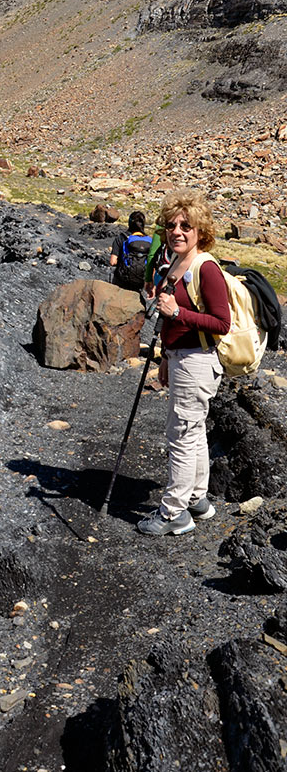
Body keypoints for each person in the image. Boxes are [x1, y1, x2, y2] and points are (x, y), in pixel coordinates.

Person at [137, 192, 230, 536]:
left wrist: (178, 312)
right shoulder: (174, 262)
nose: (177, 230)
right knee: (194, 431)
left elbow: (222, 323)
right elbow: (169, 318)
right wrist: (165, 355)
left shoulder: (206, 268)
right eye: (171, 224)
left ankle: (175, 513)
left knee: (180, 434)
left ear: (200, 231)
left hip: (198, 362)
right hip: (180, 357)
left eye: (186, 226)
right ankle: (197, 499)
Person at [109, 211, 151, 290]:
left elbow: (112, 261)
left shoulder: (122, 237)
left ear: (129, 222)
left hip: (123, 280)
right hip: (141, 281)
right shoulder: (149, 240)